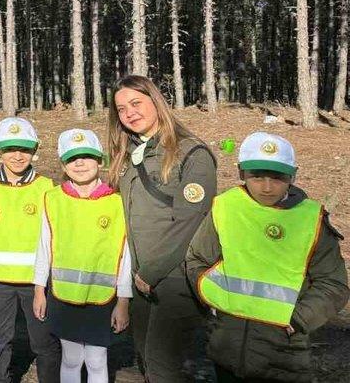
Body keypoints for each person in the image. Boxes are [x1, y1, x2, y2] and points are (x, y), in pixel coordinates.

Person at [186, 132, 349, 382]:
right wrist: (215, 301)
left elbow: (333, 284)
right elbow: (197, 258)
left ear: (293, 175)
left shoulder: (311, 220)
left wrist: (299, 319)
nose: (267, 186)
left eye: (278, 177)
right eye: (257, 176)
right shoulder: (225, 207)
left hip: (284, 355)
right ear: (241, 173)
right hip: (227, 347)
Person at [106, 75, 216, 382]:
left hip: (175, 277)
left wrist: (150, 272)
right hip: (141, 277)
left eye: (136, 103)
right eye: (122, 108)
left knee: (161, 363)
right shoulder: (128, 156)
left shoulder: (191, 153)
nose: (129, 113)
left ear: (156, 101)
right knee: (144, 355)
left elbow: (190, 220)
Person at [33, 129, 132, 383]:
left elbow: (125, 254)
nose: (79, 163)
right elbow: (44, 246)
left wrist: (123, 300)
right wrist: (39, 289)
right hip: (64, 297)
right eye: (71, 158)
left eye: (87, 156)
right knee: (71, 359)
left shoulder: (117, 201)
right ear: (63, 165)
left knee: (97, 360)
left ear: (100, 161)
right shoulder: (53, 199)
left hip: (102, 298)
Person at [0, 118, 60, 383]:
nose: (17, 155)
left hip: (35, 282)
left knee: (43, 339)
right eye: (10, 149)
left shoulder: (47, 187)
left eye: (24, 149)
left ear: (34, 150)